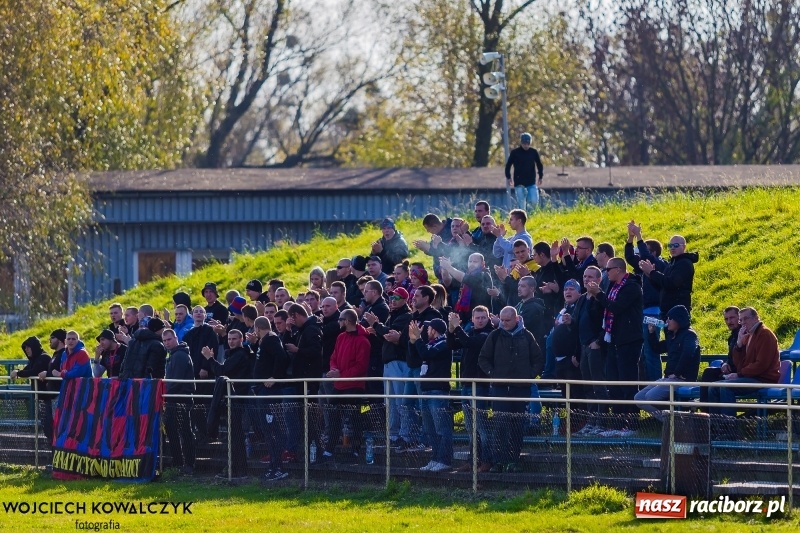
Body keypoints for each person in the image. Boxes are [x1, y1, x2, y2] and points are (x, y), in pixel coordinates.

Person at [479, 306, 543, 473]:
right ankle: (498, 461)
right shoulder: (494, 336)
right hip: (499, 389)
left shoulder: (527, 336)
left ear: (516, 319)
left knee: (517, 427)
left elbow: (538, 359)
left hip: (520, 389)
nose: (504, 323)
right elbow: (483, 358)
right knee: (500, 426)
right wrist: (493, 374)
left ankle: (513, 460)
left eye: (507, 320)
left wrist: (529, 376)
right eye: (502, 320)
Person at [585, 258, 643, 429]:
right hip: (613, 340)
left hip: (629, 340)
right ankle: (617, 424)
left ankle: (631, 424)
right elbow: (604, 309)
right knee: (614, 384)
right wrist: (594, 297)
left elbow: (617, 308)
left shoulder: (632, 287)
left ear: (618, 269)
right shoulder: (612, 286)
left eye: (608, 269)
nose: (606, 273)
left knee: (627, 383)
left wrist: (599, 294)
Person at [708, 307, 780, 418]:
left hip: (763, 379)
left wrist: (739, 374)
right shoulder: (749, 335)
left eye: (746, 318)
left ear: (756, 318)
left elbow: (761, 365)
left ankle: (729, 425)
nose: (743, 323)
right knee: (713, 387)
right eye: (741, 320)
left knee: (725, 387)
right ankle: (715, 424)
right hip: (752, 377)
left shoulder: (764, 334)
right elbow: (739, 364)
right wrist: (739, 345)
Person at [202, 329, 254, 479]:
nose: (231, 341)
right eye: (229, 339)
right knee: (234, 436)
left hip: (237, 400)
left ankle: (239, 471)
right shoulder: (234, 354)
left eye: (234, 339)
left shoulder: (240, 354)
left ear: (241, 339)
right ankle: (234, 469)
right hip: (234, 399)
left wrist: (210, 359)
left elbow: (222, 370)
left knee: (236, 437)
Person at [634, 305, 700, 420]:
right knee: (639, 398)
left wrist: (677, 373)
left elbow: (688, 353)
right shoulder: (672, 336)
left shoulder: (690, 335)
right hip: (669, 378)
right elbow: (657, 348)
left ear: (678, 319)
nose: (667, 321)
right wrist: (651, 333)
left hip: (682, 378)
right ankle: (668, 421)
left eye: (670, 318)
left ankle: (677, 419)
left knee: (650, 397)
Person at [447, 306, 493, 472]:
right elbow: (452, 345)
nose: (480, 320)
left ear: (488, 318)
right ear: (472, 319)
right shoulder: (470, 332)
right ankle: (473, 460)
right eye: (477, 317)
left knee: (481, 427)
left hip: (480, 385)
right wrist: (451, 330)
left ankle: (486, 461)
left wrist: (457, 327)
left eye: (483, 317)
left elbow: (469, 343)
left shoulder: (488, 334)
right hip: (467, 384)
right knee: (470, 428)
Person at [321, 309, 371, 461]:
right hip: (339, 385)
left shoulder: (363, 341)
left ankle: (355, 450)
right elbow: (333, 357)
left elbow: (361, 367)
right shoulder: (340, 337)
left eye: (340, 319)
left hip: (356, 387)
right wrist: (334, 370)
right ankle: (329, 449)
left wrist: (340, 375)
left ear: (347, 321)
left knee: (357, 420)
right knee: (333, 418)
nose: (338, 322)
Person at [366, 287, 413, 446]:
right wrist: (377, 331)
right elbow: (387, 338)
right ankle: (393, 435)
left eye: (396, 298)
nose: (392, 300)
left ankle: (405, 435)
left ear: (405, 300)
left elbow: (391, 335)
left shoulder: (406, 316)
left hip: (399, 363)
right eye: (391, 297)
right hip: (389, 363)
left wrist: (376, 325)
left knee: (400, 402)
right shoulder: (392, 315)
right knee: (390, 403)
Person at [409, 318, 453, 472]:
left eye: (428, 329)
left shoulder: (444, 344)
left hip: (438, 390)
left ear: (434, 330)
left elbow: (426, 354)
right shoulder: (429, 344)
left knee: (441, 428)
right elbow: (414, 358)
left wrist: (418, 340)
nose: (426, 331)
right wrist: (412, 341)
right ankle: (435, 458)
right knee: (430, 429)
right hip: (426, 390)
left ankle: (445, 460)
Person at [251, 316, 290, 482]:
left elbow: (282, 357)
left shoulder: (271, 339)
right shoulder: (265, 341)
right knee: (268, 430)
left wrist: (274, 377)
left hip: (269, 392)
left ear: (257, 328)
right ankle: (273, 466)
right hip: (263, 390)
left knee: (272, 430)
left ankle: (278, 467)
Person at [638, 234, 698, 319]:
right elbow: (662, 286)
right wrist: (649, 275)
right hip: (666, 311)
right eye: (670, 245)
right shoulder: (671, 263)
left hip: (678, 311)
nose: (672, 248)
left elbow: (671, 283)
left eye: (676, 245)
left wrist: (652, 272)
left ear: (684, 247)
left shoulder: (684, 263)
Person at [162, 329, 196, 475]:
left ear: (176, 338)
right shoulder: (175, 355)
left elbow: (176, 380)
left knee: (184, 431)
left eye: (169, 339)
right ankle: (179, 462)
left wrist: (165, 393)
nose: (167, 343)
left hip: (180, 398)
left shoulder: (180, 355)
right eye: (164, 341)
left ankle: (187, 463)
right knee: (174, 430)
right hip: (174, 397)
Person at [698, 306, 741, 408]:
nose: (729, 322)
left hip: (741, 371)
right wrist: (725, 364)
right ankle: (706, 411)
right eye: (726, 319)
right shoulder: (732, 337)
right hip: (731, 369)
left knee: (711, 378)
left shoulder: (744, 334)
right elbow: (731, 357)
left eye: (732, 318)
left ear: (739, 318)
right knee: (709, 372)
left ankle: (707, 412)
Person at [505, 132, 544, 211]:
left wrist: (540, 176)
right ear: (521, 143)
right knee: (522, 204)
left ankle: (532, 215)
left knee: (534, 201)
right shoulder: (515, 153)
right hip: (519, 182)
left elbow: (539, 164)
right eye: (524, 143)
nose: (526, 145)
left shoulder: (533, 152)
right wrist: (508, 177)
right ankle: (523, 216)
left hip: (531, 182)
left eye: (527, 143)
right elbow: (508, 165)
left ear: (530, 143)